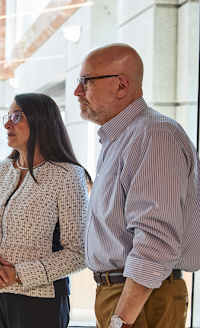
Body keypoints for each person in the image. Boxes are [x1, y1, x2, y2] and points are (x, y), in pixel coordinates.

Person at [75, 43, 200, 328]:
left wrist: (122, 319)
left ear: (121, 85)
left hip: (140, 297)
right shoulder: (122, 138)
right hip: (126, 294)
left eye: (86, 82)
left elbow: (155, 237)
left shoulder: (153, 136)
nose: (77, 92)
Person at [0, 93, 90, 328]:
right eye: (8, 115)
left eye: (16, 116)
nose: (7, 123)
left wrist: (19, 274)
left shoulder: (67, 176)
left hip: (40, 300)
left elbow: (79, 253)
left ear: (41, 121)